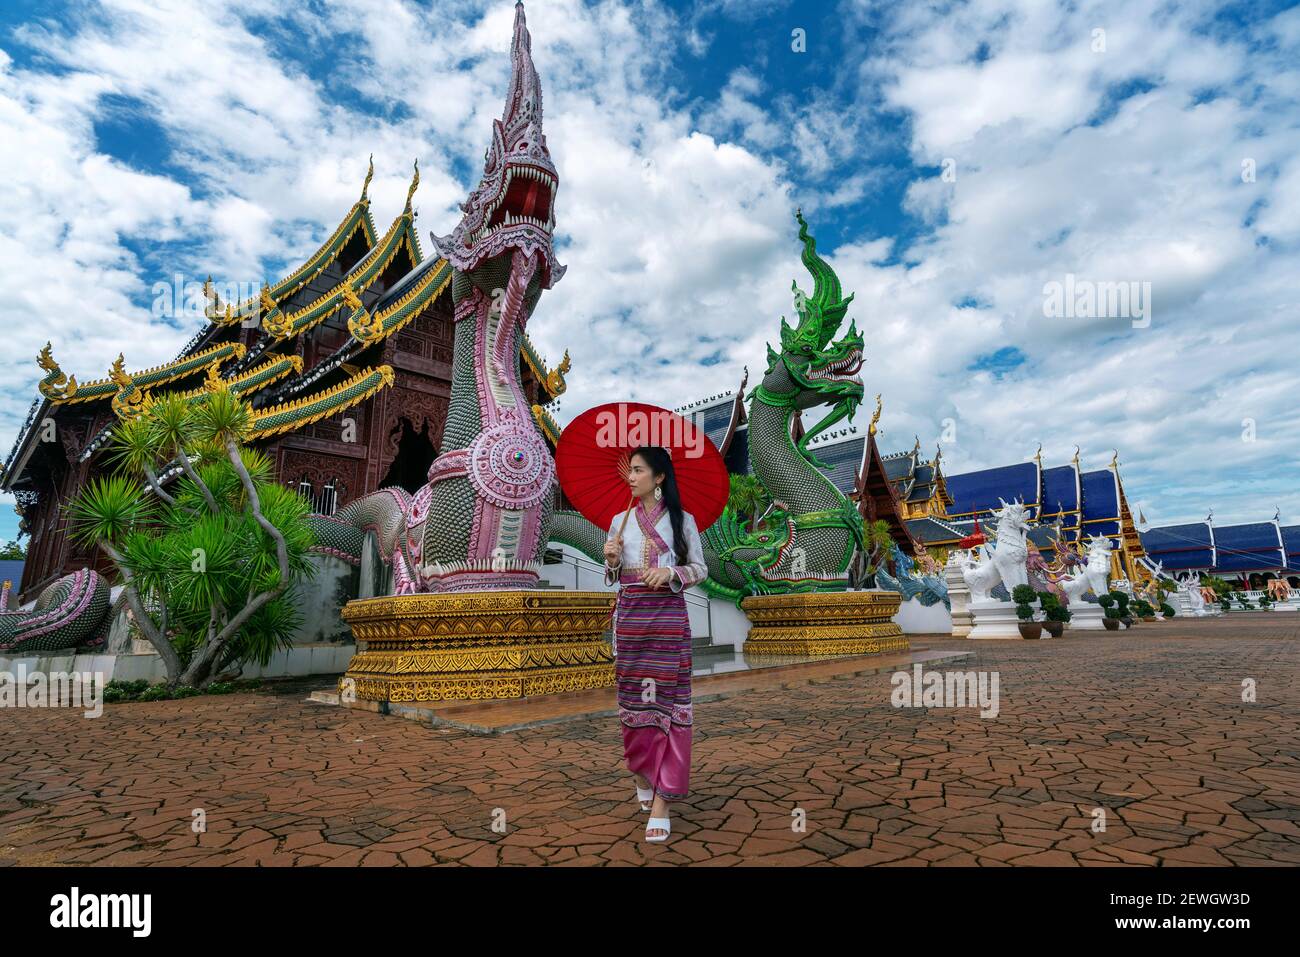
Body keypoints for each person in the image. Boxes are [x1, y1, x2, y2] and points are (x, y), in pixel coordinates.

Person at [602, 445, 708, 843]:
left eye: (639, 470)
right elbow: (612, 576)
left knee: (669, 706)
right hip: (630, 622)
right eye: (629, 471)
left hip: (667, 621)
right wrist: (611, 559)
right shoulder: (619, 521)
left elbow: (700, 568)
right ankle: (644, 771)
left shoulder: (683, 521)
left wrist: (670, 573)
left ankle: (663, 798)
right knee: (634, 705)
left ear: (659, 477)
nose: (630, 477)